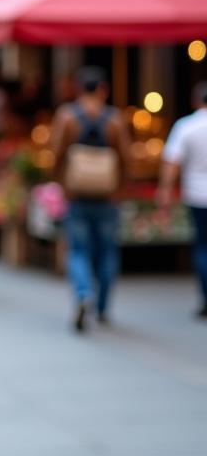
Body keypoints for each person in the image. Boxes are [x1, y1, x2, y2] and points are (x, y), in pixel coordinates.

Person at [50, 66, 131, 332]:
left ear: (78, 89)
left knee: (79, 250)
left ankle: (84, 294)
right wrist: (119, 189)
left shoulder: (67, 117)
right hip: (107, 196)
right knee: (107, 251)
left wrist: (62, 185)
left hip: (77, 195)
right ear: (103, 89)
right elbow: (126, 159)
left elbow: (57, 154)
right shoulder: (115, 119)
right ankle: (103, 307)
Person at [158, 82, 207, 319]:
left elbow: (172, 163)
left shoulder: (186, 126)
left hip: (198, 195)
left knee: (202, 247)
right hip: (197, 194)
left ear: (197, 101)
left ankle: (206, 298)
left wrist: (165, 193)